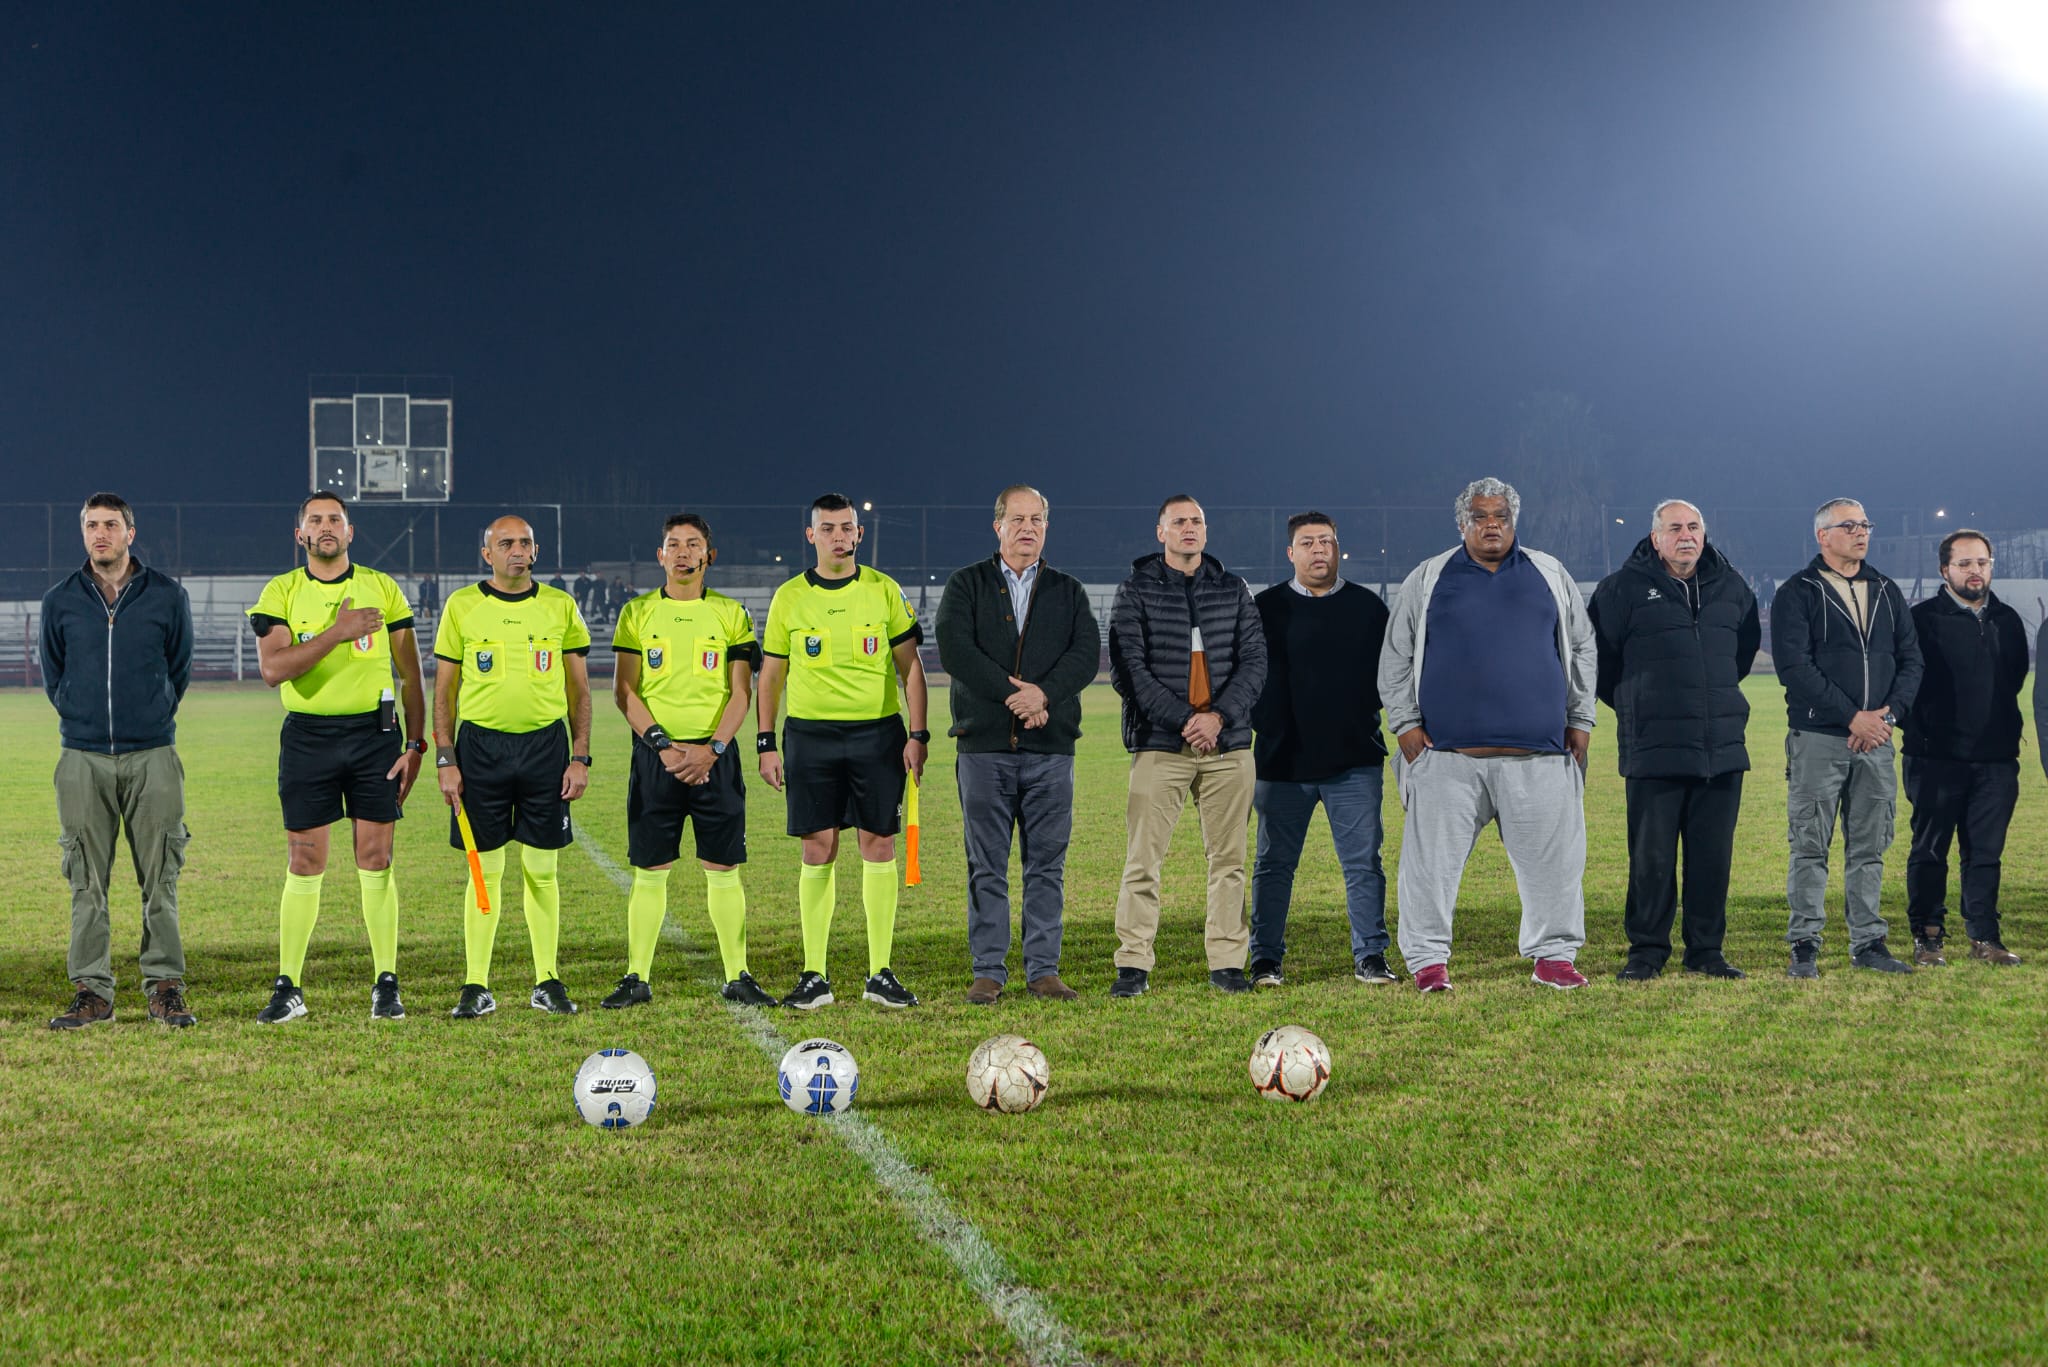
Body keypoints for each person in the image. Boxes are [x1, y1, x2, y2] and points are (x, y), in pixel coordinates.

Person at [1378, 477, 1596, 993]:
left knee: (1554, 866)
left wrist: (1580, 719)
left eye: (1501, 516)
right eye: (1480, 516)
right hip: (1448, 757)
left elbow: (1581, 647)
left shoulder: (1549, 573)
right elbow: (1396, 655)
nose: (1491, 524)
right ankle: (1428, 961)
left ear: (1514, 521)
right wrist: (1405, 724)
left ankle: (1554, 957)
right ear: (1463, 523)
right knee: (1429, 869)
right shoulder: (1429, 576)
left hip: (1540, 755)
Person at [246, 492, 426, 1022]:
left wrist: (416, 744)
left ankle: (386, 983)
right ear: (300, 534)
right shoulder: (281, 591)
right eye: (315, 520)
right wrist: (339, 632)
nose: (325, 527)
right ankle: (289, 987)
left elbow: (412, 675)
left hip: (375, 737)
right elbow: (274, 669)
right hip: (308, 739)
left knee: (376, 859)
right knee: (305, 862)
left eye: (335, 520)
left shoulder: (382, 588)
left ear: (350, 532)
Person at [756, 493, 930, 1009]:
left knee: (879, 845)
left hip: (877, 736)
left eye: (847, 528)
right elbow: (772, 675)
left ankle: (880, 974)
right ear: (811, 535)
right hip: (810, 737)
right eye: (828, 528)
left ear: (859, 533)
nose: (839, 536)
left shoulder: (883, 590)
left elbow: (911, 668)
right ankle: (815, 976)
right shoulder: (789, 597)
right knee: (817, 848)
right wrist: (766, 742)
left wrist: (918, 734)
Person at [936, 484, 1100, 1004]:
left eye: (1037, 519)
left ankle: (1043, 970)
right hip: (983, 750)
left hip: (1050, 751)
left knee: (1046, 866)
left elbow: (1085, 654)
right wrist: (1019, 697)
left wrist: (1044, 695)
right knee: (985, 866)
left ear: (1046, 527)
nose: (1027, 528)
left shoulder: (1068, 590)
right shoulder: (967, 584)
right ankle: (988, 971)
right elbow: (955, 649)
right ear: (998, 526)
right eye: (1017, 519)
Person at [605, 513, 777, 1008]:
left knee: (723, 868)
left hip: (714, 757)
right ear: (660, 555)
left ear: (709, 555)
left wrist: (713, 750)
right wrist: (663, 745)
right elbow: (624, 690)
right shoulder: (636, 613)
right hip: (655, 757)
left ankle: (738, 974)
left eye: (693, 544)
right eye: (674, 544)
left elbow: (741, 692)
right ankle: (636, 977)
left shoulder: (731, 614)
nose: (683, 552)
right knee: (649, 868)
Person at [40, 493, 197, 1029]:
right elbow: (54, 674)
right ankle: (92, 992)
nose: (100, 534)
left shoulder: (167, 596)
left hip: (152, 754)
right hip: (82, 758)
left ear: (131, 532)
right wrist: (79, 714)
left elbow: (178, 667)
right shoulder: (60, 600)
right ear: (83, 532)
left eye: (110, 524)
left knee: (162, 877)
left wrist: (153, 715)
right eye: (91, 525)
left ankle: (165, 987)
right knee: (85, 880)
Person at [1589, 499, 1759, 981]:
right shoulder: (1621, 589)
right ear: (1655, 538)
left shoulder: (1731, 585)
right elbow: (1600, 663)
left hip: (1720, 748)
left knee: (1712, 859)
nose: (1686, 535)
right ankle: (1646, 952)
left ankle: (1706, 950)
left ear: (1704, 533)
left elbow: (1741, 655)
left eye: (1694, 527)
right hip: (1654, 747)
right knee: (1652, 859)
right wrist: (1639, 705)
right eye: (1676, 528)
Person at [433, 514, 594, 1017]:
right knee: (484, 870)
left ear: (536, 551)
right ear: (488, 554)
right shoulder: (462, 605)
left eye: (525, 542)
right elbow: (444, 691)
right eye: (505, 544)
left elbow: (579, 690)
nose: (517, 550)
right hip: (479, 750)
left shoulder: (560, 606)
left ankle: (547, 980)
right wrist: (445, 758)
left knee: (542, 871)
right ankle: (476, 984)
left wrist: (580, 756)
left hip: (546, 749)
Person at [1107, 494, 1267, 997]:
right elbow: (1129, 671)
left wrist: (1218, 718)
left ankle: (1227, 963)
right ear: (1161, 533)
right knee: (1143, 861)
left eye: (1197, 521)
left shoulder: (1232, 588)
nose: (1189, 528)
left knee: (1229, 862)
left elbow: (1255, 662)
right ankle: (1133, 965)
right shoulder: (1135, 589)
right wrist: (1186, 720)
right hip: (1161, 744)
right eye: (1179, 522)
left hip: (1228, 745)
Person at [1770, 497, 1923, 977]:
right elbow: (1795, 667)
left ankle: (1869, 944)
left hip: (1877, 739)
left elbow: (1912, 660)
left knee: (1869, 849)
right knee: (1810, 846)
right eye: (1850, 525)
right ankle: (1805, 946)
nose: (1861, 532)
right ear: (1823, 535)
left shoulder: (1886, 590)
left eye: (1865, 525)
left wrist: (1887, 717)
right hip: (1820, 738)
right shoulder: (1798, 592)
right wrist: (1852, 717)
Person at [1247, 512, 1396, 988]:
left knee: (1363, 864)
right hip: (1281, 761)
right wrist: (1266, 723)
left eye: (1326, 542)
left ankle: (1371, 956)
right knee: (1273, 866)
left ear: (1337, 549)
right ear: (1290, 553)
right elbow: (1246, 676)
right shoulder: (1264, 608)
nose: (1318, 550)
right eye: (1308, 543)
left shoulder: (1367, 607)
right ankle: (1265, 959)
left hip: (1353, 761)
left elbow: (1391, 675)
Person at [1902, 529, 2026, 967]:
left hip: (1996, 760)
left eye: (1982, 563)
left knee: (1986, 855)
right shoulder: (1920, 620)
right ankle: (1928, 936)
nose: (1976, 571)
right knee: (1930, 851)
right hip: (1935, 758)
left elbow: (2013, 678)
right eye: (1965, 564)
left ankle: (1985, 938)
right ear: (1945, 570)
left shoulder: (2008, 620)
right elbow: (1907, 684)